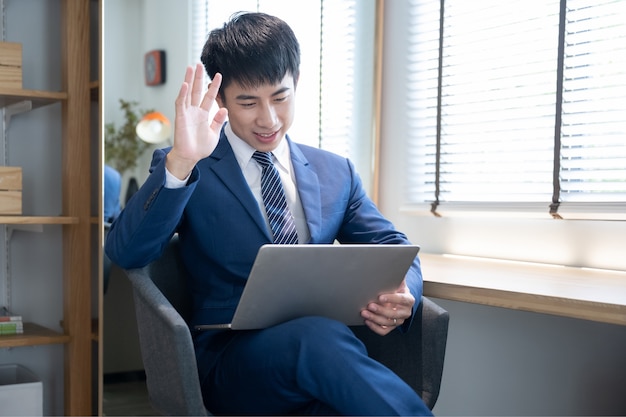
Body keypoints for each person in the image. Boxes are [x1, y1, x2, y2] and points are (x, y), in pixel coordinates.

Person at [105, 12, 431, 416]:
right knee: (319, 340)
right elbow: (126, 253)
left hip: (327, 360)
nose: (269, 119)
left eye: (280, 97)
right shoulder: (192, 165)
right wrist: (181, 161)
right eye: (248, 102)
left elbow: (394, 247)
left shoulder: (335, 172)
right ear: (220, 98)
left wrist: (406, 294)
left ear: (297, 83)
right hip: (232, 362)